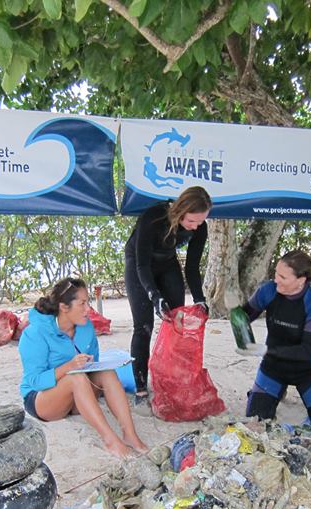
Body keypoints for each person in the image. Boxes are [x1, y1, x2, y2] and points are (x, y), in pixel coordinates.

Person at [18, 277, 149, 459]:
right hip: (43, 399)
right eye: (82, 303)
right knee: (75, 377)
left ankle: (130, 436)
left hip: (79, 394)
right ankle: (111, 441)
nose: (89, 309)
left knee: (107, 373)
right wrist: (69, 367)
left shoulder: (86, 327)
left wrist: (88, 364)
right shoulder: (34, 334)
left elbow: (94, 362)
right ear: (64, 307)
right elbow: (35, 381)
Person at [124, 185, 211, 401]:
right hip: (139, 264)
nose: (195, 227)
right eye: (191, 221)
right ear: (179, 211)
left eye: (200, 222)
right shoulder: (153, 217)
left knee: (177, 321)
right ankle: (141, 387)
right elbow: (142, 265)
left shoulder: (200, 228)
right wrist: (155, 296)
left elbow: (192, 267)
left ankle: (173, 379)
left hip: (167, 262)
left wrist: (200, 300)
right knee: (143, 326)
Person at [243, 249, 311, 429]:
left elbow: (305, 351)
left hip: (306, 370)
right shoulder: (268, 291)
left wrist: (265, 350)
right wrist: (242, 335)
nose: (275, 280)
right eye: (275, 274)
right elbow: (242, 316)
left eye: (283, 277)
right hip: (272, 367)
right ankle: (273, 392)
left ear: (301, 280)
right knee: (256, 420)